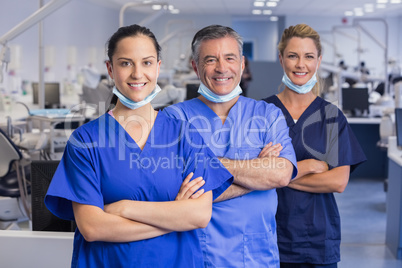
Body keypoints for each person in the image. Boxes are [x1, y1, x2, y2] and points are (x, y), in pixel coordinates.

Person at [44, 24, 233, 268]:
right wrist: (173, 216)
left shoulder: (185, 135)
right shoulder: (86, 141)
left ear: (158, 67)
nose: (137, 74)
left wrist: (123, 208)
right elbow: (92, 227)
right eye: (125, 63)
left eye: (146, 62)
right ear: (110, 69)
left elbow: (199, 215)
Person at [163, 24, 298, 267]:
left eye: (229, 58)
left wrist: (206, 167)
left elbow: (281, 174)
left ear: (242, 64)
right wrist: (257, 170)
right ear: (195, 66)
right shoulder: (174, 119)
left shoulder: (267, 114)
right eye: (211, 60)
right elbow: (174, 193)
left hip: (257, 256)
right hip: (197, 255)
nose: (222, 68)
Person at [264, 23, 367, 268]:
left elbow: (338, 182)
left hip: (318, 239)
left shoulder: (331, 116)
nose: (301, 64)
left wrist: (278, 175)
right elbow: (248, 174)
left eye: (309, 56)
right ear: (281, 59)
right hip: (270, 237)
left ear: (319, 61)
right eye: (293, 56)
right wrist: (308, 166)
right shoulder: (262, 112)